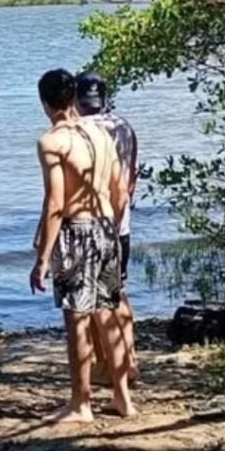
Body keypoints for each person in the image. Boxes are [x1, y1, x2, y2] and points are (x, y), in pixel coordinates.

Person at [30, 68, 136, 423]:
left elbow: (55, 204)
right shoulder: (101, 133)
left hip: (77, 231)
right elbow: (120, 189)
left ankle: (81, 404)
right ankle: (123, 398)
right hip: (107, 227)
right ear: (74, 97)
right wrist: (112, 224)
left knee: (77, 319)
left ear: (45, 103)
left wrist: (42, 257)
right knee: (108, 313)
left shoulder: (53, 141)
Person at [75, 71, 140, 386]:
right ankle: (130, 362)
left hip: (91, 224)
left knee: (92, 303)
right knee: (118, 292)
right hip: (120, 223)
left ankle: (105, 367)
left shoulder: (79, 130)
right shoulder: (124, 126)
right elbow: (131, 177)